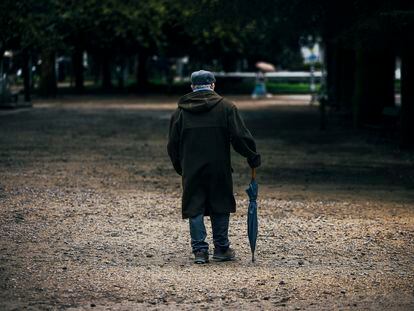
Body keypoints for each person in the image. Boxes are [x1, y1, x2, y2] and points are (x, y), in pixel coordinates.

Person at [167, 70, 261, 264]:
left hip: (192, 168)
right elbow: (240, 137)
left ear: (192, 87)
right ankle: (221, 248)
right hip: (219, 167)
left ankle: (200, 251)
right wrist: (252, 156)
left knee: (194, 206)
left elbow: (172, 145)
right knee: (220, 203)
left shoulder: (181, 112)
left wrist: (180, 167)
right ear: (213, 85)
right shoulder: (227, 108)